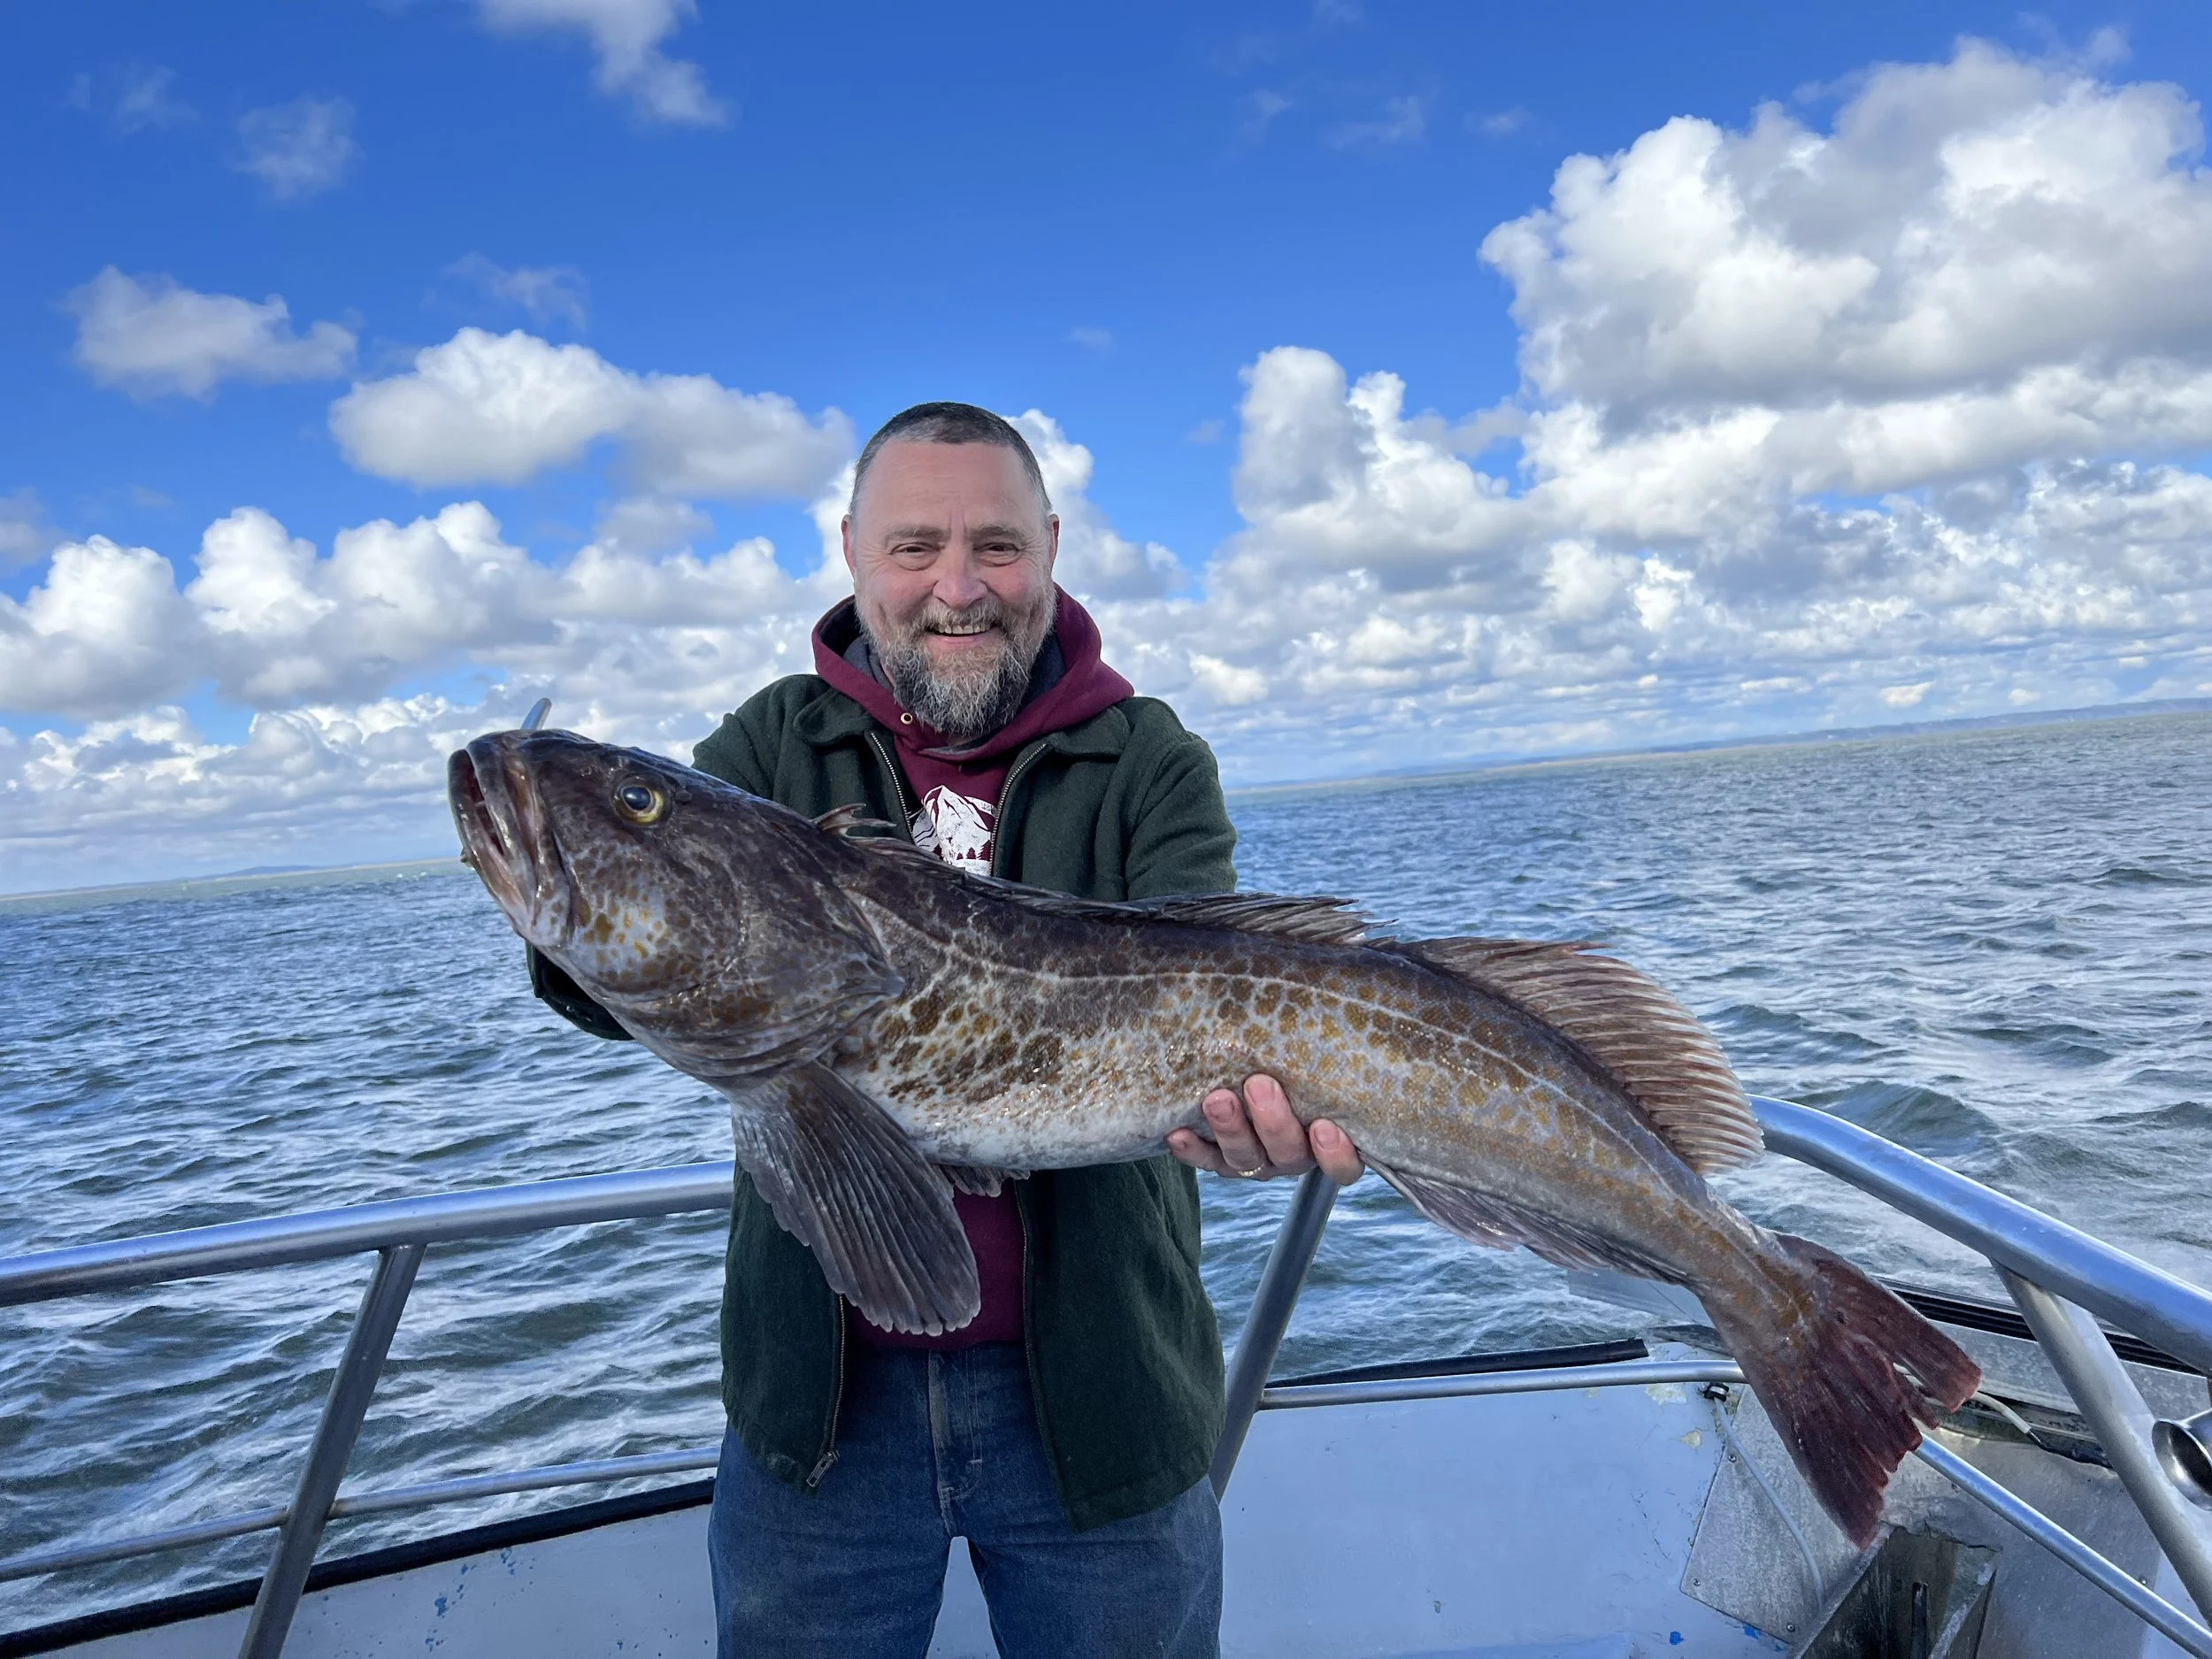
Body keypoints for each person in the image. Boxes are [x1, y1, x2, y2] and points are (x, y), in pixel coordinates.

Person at [527, 402, 1363, 1658]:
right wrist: (567, 893)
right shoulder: (769, 743)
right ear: (854, 551)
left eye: (998, 547)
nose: (957, 587)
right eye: (915, 547)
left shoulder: (1148, 758)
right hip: (821, 1416)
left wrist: (1262, 1121)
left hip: (1103, 1397)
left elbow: (1225, 983)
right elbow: (623, 978)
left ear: (1053, 546)